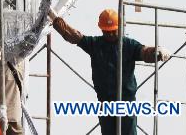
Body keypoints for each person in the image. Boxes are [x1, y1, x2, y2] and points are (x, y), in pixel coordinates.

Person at [49, 7, 171, 135]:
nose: (111, 34)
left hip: (126, 103)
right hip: (105, 102)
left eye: (113, 31)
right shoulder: (95, 44)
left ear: (119, 28)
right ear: (101, 29)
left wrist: (156, 52)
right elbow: (74, 36)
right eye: (107, 32)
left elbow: (144, 52)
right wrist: (56, 20)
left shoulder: (129, 45)